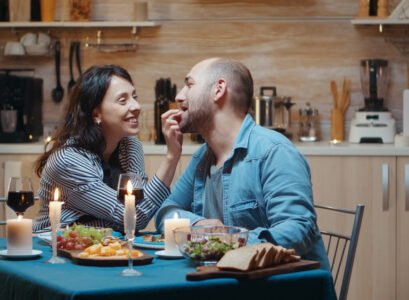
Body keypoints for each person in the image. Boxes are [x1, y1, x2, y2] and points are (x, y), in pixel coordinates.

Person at [155, 57, 330, 270]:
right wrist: (199, 225)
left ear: (218, 89)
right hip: (228, 284)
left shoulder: (274, 151)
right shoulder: (203, 158)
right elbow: (165, 211)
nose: (179, 95)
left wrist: (228, 240)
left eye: (189, 85)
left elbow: (298, 231)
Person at [33, 65, 183, 233]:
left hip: (106, 249)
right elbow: (134, 216)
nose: (136, 107)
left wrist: (120, 220)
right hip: (55, 249)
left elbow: (134, 215)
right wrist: (172, 157)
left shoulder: (130, 147)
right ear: (96, 114)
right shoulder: (69, 160)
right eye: (123, 100)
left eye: (134, 97)